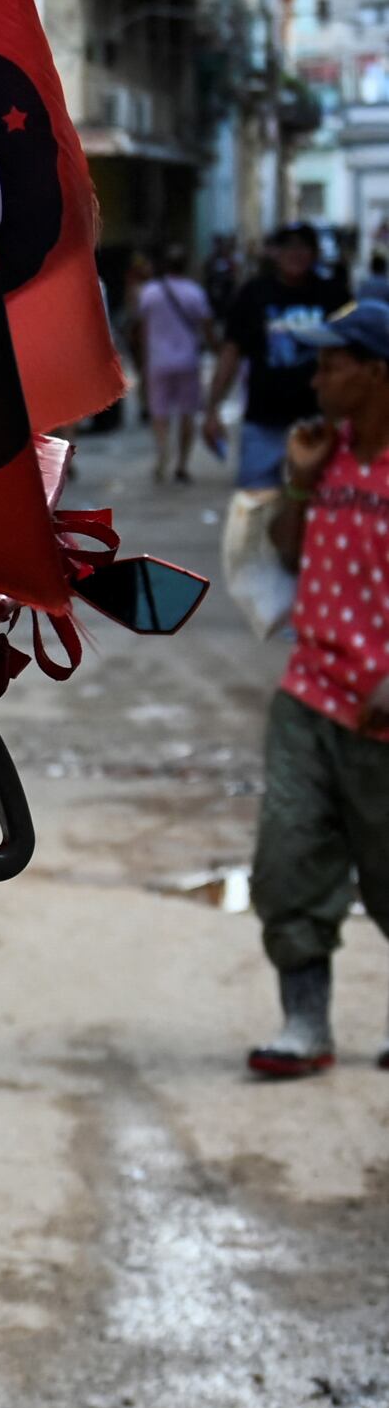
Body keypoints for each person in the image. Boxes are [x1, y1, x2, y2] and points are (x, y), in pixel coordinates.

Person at [245, 303, 389, 1076]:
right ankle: (306, 1023)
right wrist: (299, 483)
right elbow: (287, 555)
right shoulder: (325, 453)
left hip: (382, 712)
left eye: (332, 365)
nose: (316, 379)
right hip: (310, 691)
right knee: (288, 856)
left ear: (376, 374)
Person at [206, 225, 355, 490]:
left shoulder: (334, 295)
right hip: (264, 422)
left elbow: (355, 358)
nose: (295, 253)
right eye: (288, 246)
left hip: (320, 422)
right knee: (258, 501)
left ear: (314, 253)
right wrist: (212, 409)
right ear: (275, 252)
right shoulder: (254, 294)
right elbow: (231, 352)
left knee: (318, 501)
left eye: (303, 246)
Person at [126, 244, 214, 483]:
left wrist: (142, 360)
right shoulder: (195, 292)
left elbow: (141, 328)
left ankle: (163, 447)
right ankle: (182, 464)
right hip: (188, 361)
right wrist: (214, 347)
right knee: (187, 412)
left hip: (158, 361)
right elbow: (207, 325)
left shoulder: (150, 292)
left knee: (159, 412)